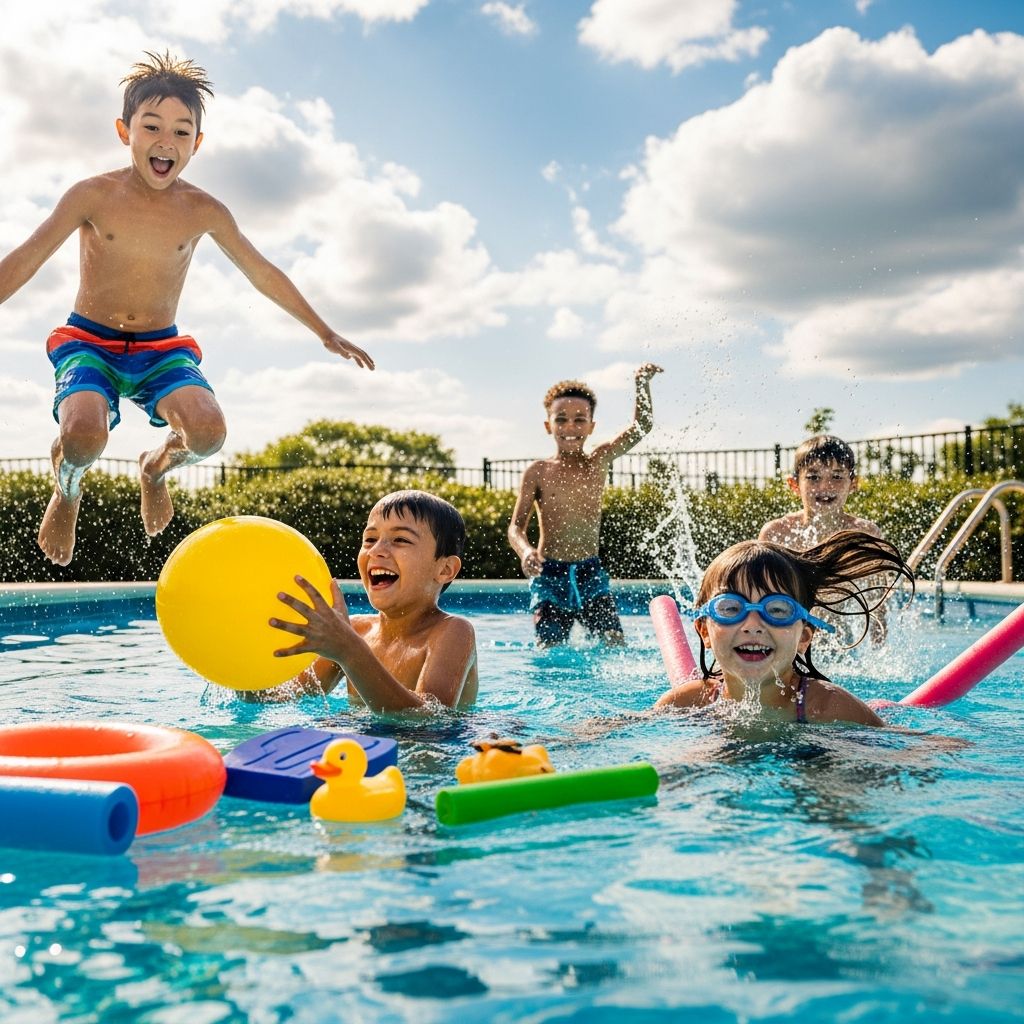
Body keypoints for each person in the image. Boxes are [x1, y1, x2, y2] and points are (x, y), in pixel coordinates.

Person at [0, 52, 374, 566]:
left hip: (160, 348)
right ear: (123, 130)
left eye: (181, 132)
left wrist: (323, 331)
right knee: (83, 439)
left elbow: (261, 271)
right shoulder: (91, 195)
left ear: (196, 143)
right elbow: (27, 258)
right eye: (151, 126)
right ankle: (67, 489)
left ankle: (154, 468)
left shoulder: (203, 209)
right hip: (89, 342)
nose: (165, 142)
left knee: (208, 433)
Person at [654, 531, 914, 726]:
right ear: (704, 631)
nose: (753, 626)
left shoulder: (828, 707)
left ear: (804, 637)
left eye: (777, 610)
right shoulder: (686, 703)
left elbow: (905, 753)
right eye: (731, 608)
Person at [258, 490, 478, 713]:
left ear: (445, 569)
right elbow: (282, 696)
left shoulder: (452, 632)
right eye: (370, 539)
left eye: (400, 540)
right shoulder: (355, 630)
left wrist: (349, 651)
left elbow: (429, 716)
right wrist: (245, 673)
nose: (377, 551)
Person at [508, 363, 663, 647]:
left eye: (580, 420)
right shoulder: (538, 472)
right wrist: (525, 550)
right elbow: (516, 528)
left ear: (592, 426)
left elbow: (642, 426)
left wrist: (642, 384)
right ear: (548, 425)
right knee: (550, 651)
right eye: (561, 419)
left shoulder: (598, 462)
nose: (570, 427)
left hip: (591, 573)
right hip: (549, 577)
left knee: (615, 644)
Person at [759, 435, 889, 640]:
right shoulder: (776, 534)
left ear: (853, 483)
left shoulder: (865, 535)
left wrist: (878, 646)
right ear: (794, 484)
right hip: (787, 636)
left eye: (837, 477)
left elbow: (877, 600)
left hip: (841, 638)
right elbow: (760, 595)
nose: (825, 486)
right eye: (813, 477)